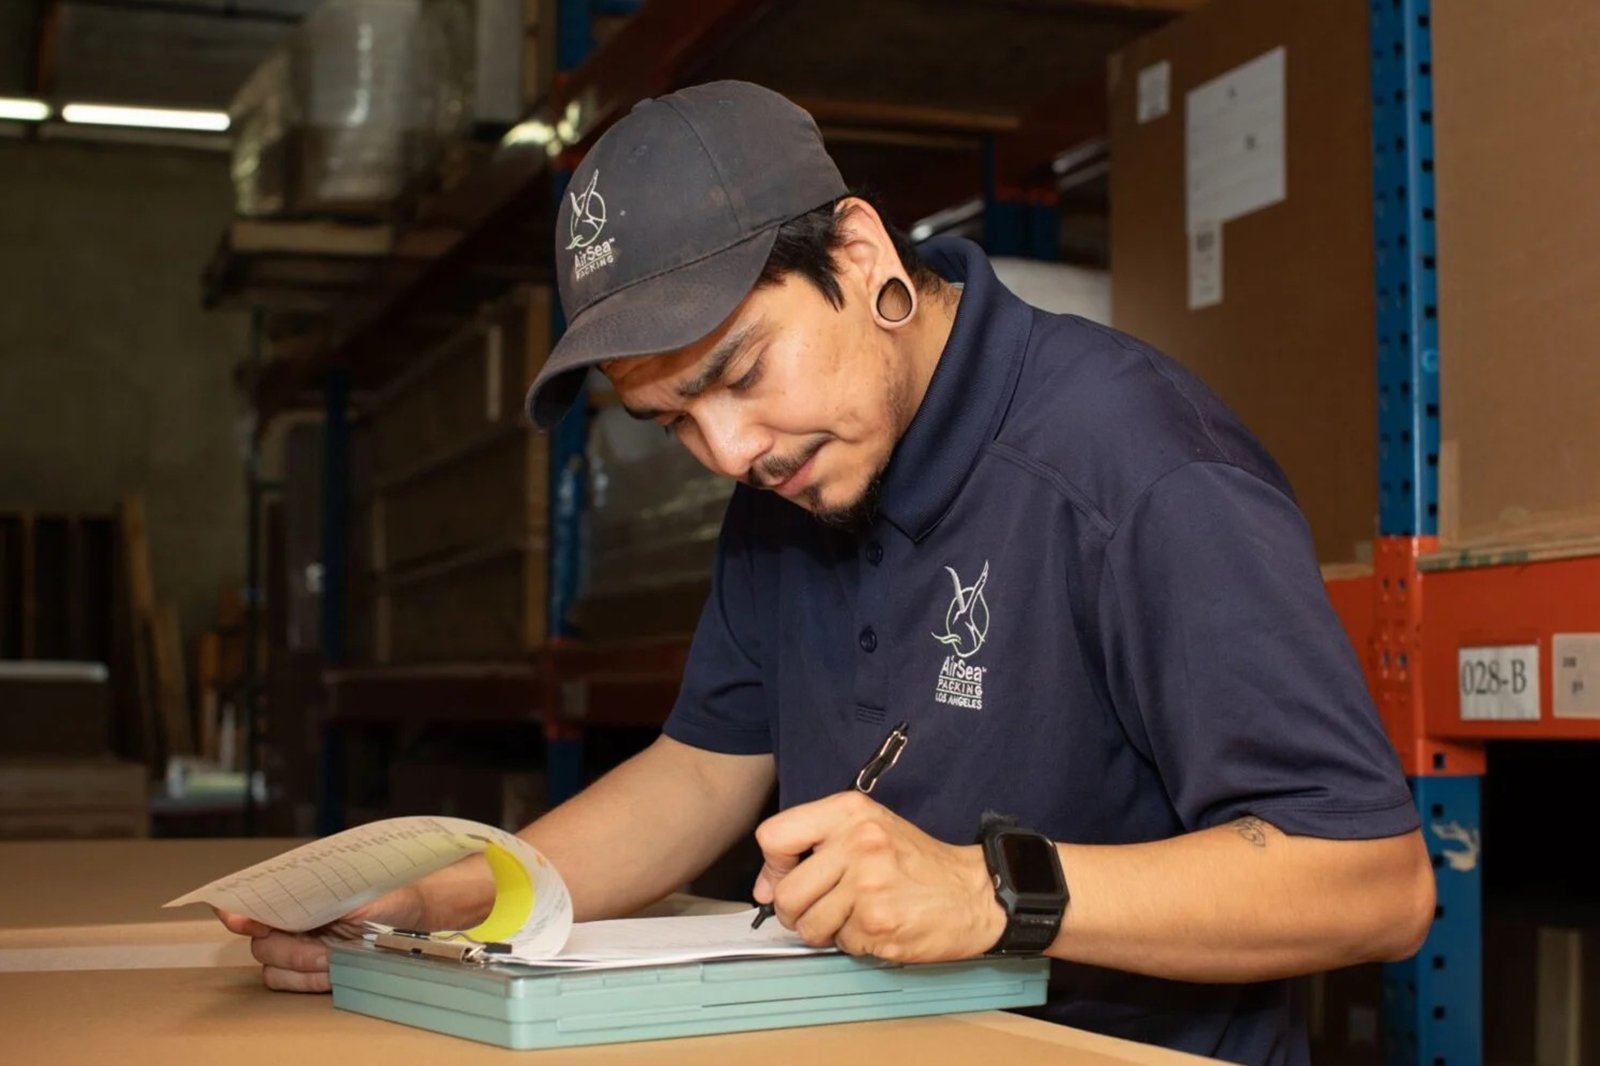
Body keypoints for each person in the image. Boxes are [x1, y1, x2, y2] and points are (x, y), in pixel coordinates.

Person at [219, 80, 1433, 1066]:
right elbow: (699, 773)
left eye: (741, 373)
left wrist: (992, 891)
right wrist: (438, 898)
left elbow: (1373, 884)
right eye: (673, 422)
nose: (727, 452)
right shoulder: (790, 487)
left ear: (858, 254)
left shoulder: (1138, 470)